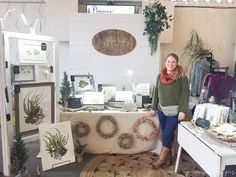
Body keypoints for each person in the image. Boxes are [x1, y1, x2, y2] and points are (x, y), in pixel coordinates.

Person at [149, 53, 190, 170]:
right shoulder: (159, 76)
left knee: (167, 134)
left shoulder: (181, 77)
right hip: (161, 110)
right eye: (168, 61)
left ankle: (161, 159)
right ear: (165, 62)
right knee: (166, 134)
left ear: (176, 63)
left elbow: (185, 94)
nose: (170, 64)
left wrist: (183, 110)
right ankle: (169, 158)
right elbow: (156, 93)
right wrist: (153, 108)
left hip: (175, 111)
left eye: (173, 62)